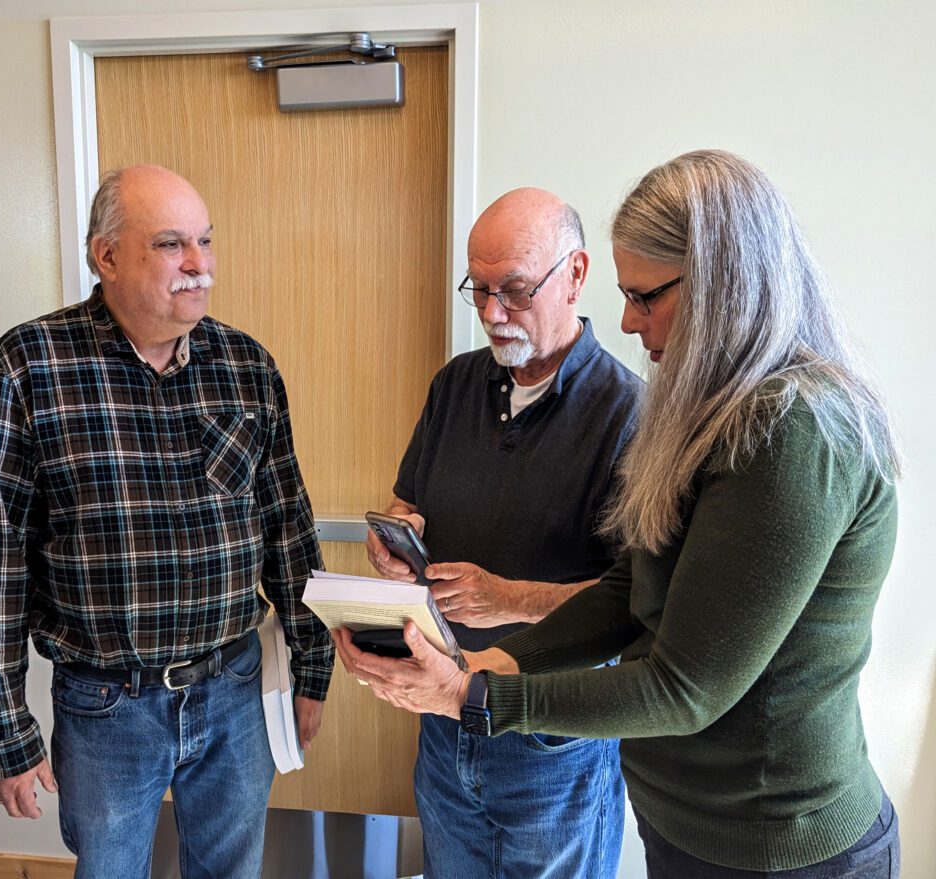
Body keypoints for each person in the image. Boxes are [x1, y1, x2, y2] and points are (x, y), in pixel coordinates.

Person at [338, 150, 902, 878]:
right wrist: (484, 662)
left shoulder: (791, 430)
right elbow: (631, 587)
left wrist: (474, 692)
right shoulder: (706, 413)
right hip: (684, 821)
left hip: (776, 844)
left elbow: (684, 685)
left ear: (723, 282)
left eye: (646, 296)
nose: (630, 322)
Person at [0, 164, 333, 879]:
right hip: (106, 705)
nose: (200, 264)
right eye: (171, 244)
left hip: (235, 690)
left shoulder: (246, 366)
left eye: (204, 241)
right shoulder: (27, 366)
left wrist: (312, 667)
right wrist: (5, 728)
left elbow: (288, 526)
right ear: (106, 256)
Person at [364, 187, 643, 878]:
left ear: (575, 274)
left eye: (515, 290)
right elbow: (409, 501)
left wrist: (510, 597)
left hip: (555, 745)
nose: (492, 313)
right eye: (480, 289)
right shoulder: (455, 384)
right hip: (445, 716)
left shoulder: (630, 414)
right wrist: (398, 538)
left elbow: (641, 604)